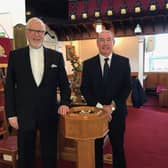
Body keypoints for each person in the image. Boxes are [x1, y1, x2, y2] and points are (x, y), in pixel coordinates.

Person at [5, 17, 71, 168]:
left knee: (49, 153)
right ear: (27, 33)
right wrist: (11, 114)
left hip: (49, 113)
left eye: (40, 31)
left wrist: (65, 103)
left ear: (44, 33)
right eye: (33, 31)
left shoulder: (56, 57)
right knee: (26, 154)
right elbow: (9, 87)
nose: (37, 35)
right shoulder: (15, 56)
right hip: (24, 114)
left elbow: (65, 85)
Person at [80, 30, 131, 168]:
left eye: (108, 40)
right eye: (101, 40)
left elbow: (127, 87)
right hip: (96, 114)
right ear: (97, 43)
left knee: (118, 148)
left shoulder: (123, 62)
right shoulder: (88, 64)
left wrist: (112, 106)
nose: (105, 43)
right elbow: (85, 88)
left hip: (117, 113)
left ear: (113, 43)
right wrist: (101, 107)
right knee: (96, 148)